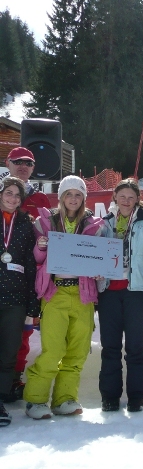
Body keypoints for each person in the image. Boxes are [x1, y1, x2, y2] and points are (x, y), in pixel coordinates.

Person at [24, 176, 107, 420]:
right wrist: (41, 246)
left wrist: (100, 269)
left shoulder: (95, 225)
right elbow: (37, 259)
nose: (73, 198)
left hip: (83, 294)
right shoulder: (45, 222)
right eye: (68, 194)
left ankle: (64, 398)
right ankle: (36, 400)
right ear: (61, 197)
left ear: (83, 198)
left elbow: (100, 258)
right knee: (53, 349)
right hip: (55, 292)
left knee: (78, 350)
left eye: (78, 194)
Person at [97, 179, 143, 412]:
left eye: (131, 197)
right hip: (109, 291)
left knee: (135, 345)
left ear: (138, 199)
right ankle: (110, 396)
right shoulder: (104, 223)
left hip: (136, 290)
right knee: (110, 345)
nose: (126, 201)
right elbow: (94, 254)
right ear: (115, 197)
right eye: (122, 196)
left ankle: (137, 395)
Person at [3, 147, 51, 403]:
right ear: (7, 163)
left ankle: (13, 379)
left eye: (28, 163)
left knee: (20, 335)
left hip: (26, 280)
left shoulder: (40, 199)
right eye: (17, 161)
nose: (23, 166)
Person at [0, 177, 38, 427]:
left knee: (9, 351)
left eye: (17, 195)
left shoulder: (26, 224)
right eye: (9, 193)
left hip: (15, 297)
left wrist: (32, 301)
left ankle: (0, 399)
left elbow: (31, 263)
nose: (13, 199)